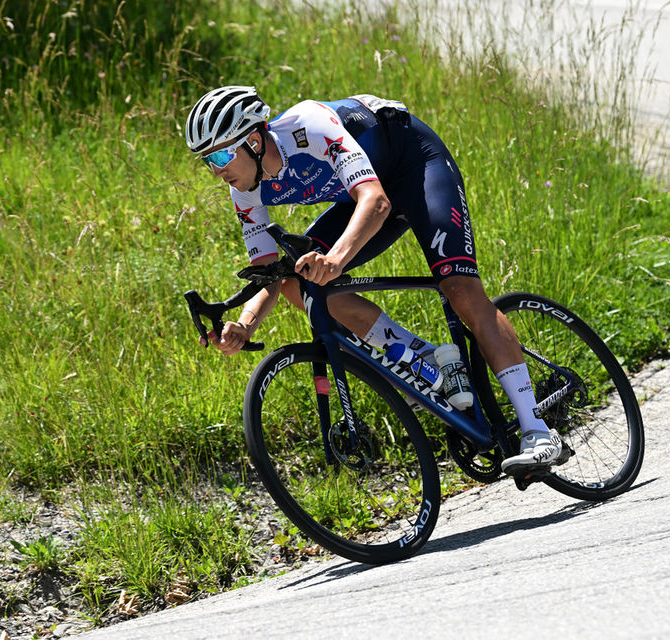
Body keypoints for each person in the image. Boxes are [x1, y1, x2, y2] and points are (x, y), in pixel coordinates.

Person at [185, 85, 567, 476]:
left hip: (415, 167)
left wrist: (335, 260)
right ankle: (424, 361)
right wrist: (244, 325)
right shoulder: (245, 191)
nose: (217, 171)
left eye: (220, 156)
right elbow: (270, 273)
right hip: (363, 196)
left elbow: (377, 202)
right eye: (207, 161)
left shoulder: (309, 126)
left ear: (252, 140)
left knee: (460, 289)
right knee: (295, 280)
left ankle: (538, 431)